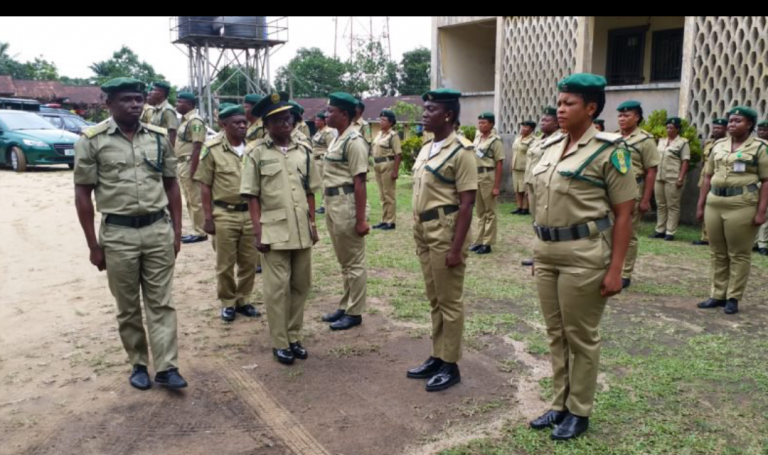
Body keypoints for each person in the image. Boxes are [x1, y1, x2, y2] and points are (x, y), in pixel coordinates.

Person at [528, 73, 635, 440]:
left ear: (591, 108)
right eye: (559, 102)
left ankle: (580, 411)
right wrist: (538, 255)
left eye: (569, 103)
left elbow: (624, 215)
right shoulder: (548, 147)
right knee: (555, 333)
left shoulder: (609, 149)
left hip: (584, 256)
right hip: (548, 253)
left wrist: (616, 270)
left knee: (581, 335)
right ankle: (559, 405)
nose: (560, 109)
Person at [74, 77, 187, 390]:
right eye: (126, 99)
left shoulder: (158, 137)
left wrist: (177, 231)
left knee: (162, 302)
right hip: (118, 235)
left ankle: (167, 367)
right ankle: (138, 364)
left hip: (156, 230)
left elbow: (172, 184)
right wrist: (93, 246)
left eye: (138, 99)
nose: (135, 104)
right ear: (108, 103)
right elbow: (82, 194)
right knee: (127, 306)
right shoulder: (92, 140)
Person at [241, 92, 321, 364]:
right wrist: (257, 231)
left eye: (288, 118)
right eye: (278, 120)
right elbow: (251, 195)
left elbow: (310, 190)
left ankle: (294, 335)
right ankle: (280, 342)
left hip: (301, 229)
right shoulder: (256, 153)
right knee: (277, 289)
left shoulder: (304, 152)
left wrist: (313, 223)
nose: (285, 124)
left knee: (301, 285)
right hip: (273, 230)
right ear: (267, 125)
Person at [406, 89, 477, 392]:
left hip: (445, 233)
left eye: (430, 108)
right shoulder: (427, 147)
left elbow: (467, 203)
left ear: (448, 114)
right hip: (423, 230)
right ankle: (438, 355)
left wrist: (456, 248)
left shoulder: (462, 151)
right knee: (435, 298)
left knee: (449, 301)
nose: (424, 113)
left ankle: (451, 364)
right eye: (425, 107)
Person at [696, 106, 768, 315]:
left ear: (750, 125)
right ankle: (717, 294)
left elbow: (766, 181)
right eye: (730, 121)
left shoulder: (759, 148)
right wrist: (700, 205)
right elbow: (708, 176)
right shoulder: (718, 145)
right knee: (717, 251)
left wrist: (761, 211)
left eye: (738, 121)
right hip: (715, 202)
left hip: (742, 203)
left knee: (738, 253)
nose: (732, 124)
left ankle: (733, 297)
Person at [193, 105, 261, 322]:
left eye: (244, 122)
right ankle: (228, 302)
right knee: (225, 263)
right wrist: (208, 217)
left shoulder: (253, 149)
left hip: (250, 214)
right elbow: (205, 185)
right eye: (236, 123)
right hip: (224, 213)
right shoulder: (211, 149)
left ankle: (244, 299)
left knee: (249, 262)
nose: (242, 126)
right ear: (223, 125)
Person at [320, 93, 370, 331]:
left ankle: (355, 311)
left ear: (344, 114)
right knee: (344, 261)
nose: (326, 114)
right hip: (333, 203)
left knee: (354, 261)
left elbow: (360, 181)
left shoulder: (354, 141)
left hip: (346, 203)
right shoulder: (336, 138)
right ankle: (345, 305)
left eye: (331, 111)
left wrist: (361, 219)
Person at [616, 101, 660, 289]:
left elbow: (651, 170)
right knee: (609, 231)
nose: (622, 119)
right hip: (612, 190)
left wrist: (646, 200)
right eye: (620, 115)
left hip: (633, 190)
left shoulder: (645, 139)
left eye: (627, 115)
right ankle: (611, 268)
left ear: (637, 117)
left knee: (629, 233)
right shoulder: (613, 137)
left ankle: (625, 273)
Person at [521, 106, 560, 267]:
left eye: (547, 120)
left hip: (545, 186)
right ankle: (538, 253)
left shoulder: (559, 140)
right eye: (542, 119)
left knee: (547, 221)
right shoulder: (538, 139)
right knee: (536, 221)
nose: (542, 122)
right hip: (532, 184)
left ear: (557, 123)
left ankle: (546, 255)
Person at [174, 92, 208, 244]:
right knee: (189, 198)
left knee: (195, 199)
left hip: (190, 163)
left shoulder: (195, 121)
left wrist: (193, 169)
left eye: (179, 102)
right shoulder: (184, 120)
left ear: (188, 104)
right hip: (183, 163)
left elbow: (197, 146)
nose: (176, 104)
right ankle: (196, 229)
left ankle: (201, 232)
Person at [650, 117, 690, 241]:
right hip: (659, 176)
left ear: (677, 129)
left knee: (672, 205)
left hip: (673, 178)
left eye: (671, 128)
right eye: (667, 127)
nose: (668, 130)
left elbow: (685, 161)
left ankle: (670, 231)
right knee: (660, 204)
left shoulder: (683, 143)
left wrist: (680, 178)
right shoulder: (661, 141)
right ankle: (660, 230)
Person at [469, 112, 503, 255]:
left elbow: (500, 163)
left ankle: (487, 243)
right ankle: (478, 240)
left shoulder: (495, 141)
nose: (480, 125)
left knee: (490, 211)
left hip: (488, 175)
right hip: (476, 175)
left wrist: (496, 186)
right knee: (480, 211)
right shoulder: (477, 139)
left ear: (491, 124)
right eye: (479, 122)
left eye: (484, 122)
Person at [693, 118, 728, 246]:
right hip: (706, 176)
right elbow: (704, 161)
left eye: (719, 128)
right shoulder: (708, 143)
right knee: (704, 205)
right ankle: (705, 236)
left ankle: (716, 237)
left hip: (718, 177)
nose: (716, 130)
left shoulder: (727, 144)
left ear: (726, 129)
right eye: (715, 128)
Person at [371, 109, 402, 231]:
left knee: (389, 195)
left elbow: (398, 154)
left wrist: (395, 171)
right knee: (382, 195)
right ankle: (384, 220)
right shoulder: (379, 135)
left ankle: (391, 222)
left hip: (387, 165)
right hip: (377, 165)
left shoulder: (393, 136)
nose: (381, 122)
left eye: (384, 120)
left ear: (391, 122)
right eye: (380, 119)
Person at [312, 111, 336, 215]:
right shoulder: (318, 132)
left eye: (318, 120)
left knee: (324, 183)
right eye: (315, 120)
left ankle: (324, 205)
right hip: (316, 160)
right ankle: (323, 204)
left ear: (323, 121)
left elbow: (330, 147)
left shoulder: (328, 132)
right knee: (320, 183)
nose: (315, 122)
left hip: (323, 160)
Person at [141, 81, 179, 147]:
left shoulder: (167, 110)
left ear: (162, 93)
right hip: (155, 144)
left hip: (163, 146)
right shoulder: (156, 109)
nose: (151, 92)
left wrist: (170, 152)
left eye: (154, 90)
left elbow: (172, 133)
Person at [511, 121, 536, 215]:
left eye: (526, 127)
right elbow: (514, 152)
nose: (522, 128)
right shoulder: (517, 138)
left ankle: (526, 208)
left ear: (531, 129)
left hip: (525, 168)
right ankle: (519, 206)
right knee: (517, 188)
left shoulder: (533, 140)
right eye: (522, 126)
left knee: (525, 189)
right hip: (515, 167)